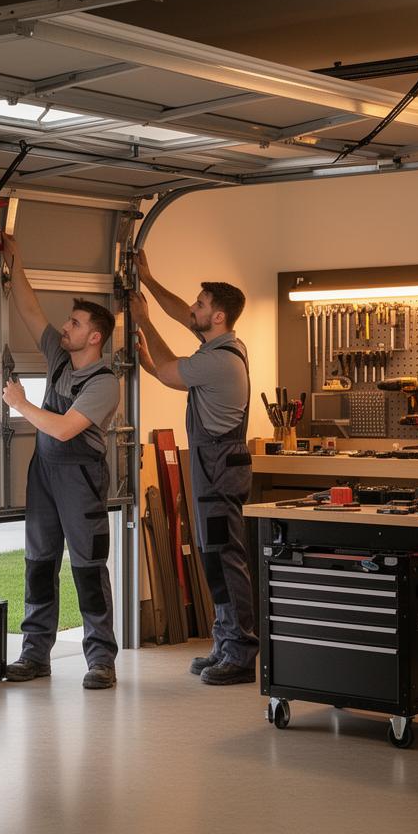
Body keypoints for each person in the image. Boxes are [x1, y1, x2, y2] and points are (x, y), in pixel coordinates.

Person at [0, 234, 121, 689]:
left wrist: (22, 405)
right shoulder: (59, 359)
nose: (63, 327)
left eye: (73, 322)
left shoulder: (105, 383)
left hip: (81, 480)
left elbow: (67, 428)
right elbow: (29, 310)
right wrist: (16, 262)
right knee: (38, 563)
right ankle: (35, 656)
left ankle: (100, 660)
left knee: (88, 569)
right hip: (45, 476)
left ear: (94, 337)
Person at [132, 249, 257, 685]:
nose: (193, 309)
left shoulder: (219, 359)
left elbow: (170, 372)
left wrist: (142, 320)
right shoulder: (219, 344)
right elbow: (176, 321)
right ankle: (225, 643)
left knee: (226, 560)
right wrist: (147, 279)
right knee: (213, 559)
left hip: (219, 471)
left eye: (201, 305)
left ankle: (240, 653)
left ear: (218, 316)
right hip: (212, 468)